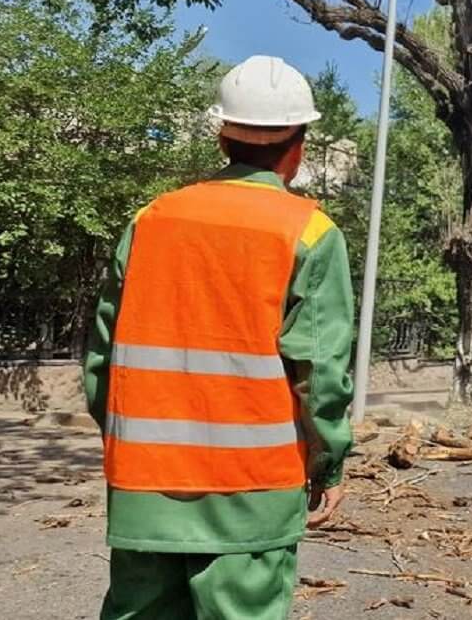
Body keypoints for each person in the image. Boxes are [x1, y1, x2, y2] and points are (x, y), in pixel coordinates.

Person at [85, 55, 355, 620]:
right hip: (251, 495)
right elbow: (321, 373)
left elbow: (102, 364)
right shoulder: (309, 231)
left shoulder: (151, 221)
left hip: (145, 490)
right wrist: (328, 463)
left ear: (221, 138)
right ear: (299, 147)